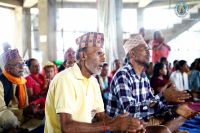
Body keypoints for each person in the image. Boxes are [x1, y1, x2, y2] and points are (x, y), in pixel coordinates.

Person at [44, 32, 145, 133]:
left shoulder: (93, 82)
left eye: (103, 54)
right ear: (83, 55)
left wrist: (127, 125)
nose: (104, 59)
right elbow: (67, 127)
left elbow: (101, 116)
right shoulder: (65, 79)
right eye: (99, 53)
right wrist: (112, 125)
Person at [106, 34, 199, 133]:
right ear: (132, 54)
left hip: (142, 121)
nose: (149, 52)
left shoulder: (143, 76)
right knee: (162, 130)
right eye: (144, 49)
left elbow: (153, 105)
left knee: (183, 114)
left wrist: (176, 109)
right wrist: (163, 96)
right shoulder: (123, 75)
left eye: (148, 49)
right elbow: (130, 110)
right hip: (126, 127)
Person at [0, 49, 29, 132]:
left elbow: (23, 107)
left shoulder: (21, 81)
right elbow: (1, 111)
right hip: (6, 124)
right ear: (7, 68)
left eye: (22, 63)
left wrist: (31, 110)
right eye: (17, 65)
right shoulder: (1, 82)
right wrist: (13, 124)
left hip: (20, 120)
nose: (22, 68)